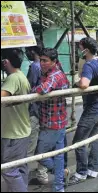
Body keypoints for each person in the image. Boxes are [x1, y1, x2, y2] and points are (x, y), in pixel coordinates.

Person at [68, 37, 98, 185]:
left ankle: (81, 172)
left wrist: (77, 82)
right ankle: (93, 169)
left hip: (93, 108)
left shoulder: (89, 65)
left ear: (86, 49)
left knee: (78, 141)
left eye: (80, 47)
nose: (79, 50)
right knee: (94, 138)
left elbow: (84, 84)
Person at [31, 48, 69, 192]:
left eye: (45, 60)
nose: (42, 63)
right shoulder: (54, 74)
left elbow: (42, 90)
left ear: (54, 61)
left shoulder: (54, 76)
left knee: (39, 154)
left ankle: (61, 174)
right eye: (41, 60)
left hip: (52, 123)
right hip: (58, 121)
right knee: (58, 156)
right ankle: (59, 186)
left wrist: (33, 90)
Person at [1, 48, 31, 192]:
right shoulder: (21, 75)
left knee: (8, 169)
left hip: (13, 132)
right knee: (20, 166)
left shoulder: (12, 78)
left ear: (6, 62)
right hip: (22, 129)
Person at [25, 39, 44, 155]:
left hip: (34, 108)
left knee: (31, 139)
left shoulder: (34, 67)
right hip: (42, 107)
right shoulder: (44, 64)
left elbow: (29, 86)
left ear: (32, 51)